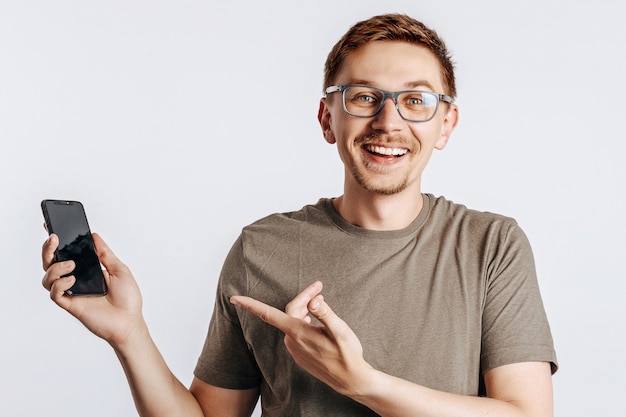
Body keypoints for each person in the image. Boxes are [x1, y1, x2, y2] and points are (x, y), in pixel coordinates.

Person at [42, 13, 558, 417]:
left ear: (446, 125)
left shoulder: (491, 244)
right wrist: (129, 335)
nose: (388, 120)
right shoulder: (260, 248)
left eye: (415, 100)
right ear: (327, 118)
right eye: (363, 97)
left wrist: (366, 384)